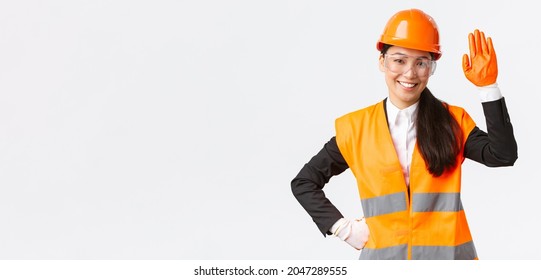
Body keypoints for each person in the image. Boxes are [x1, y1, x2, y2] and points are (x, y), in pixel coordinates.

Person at [290, 8, 518, 260]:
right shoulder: (355, 129)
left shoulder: (452, 122)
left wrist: (488, 87)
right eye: (399, 60)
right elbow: (304, 182)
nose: (410, 73)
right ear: (382, 62)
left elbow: (502, 155)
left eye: (421, 62)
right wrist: (343, 228)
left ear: (431, 68)